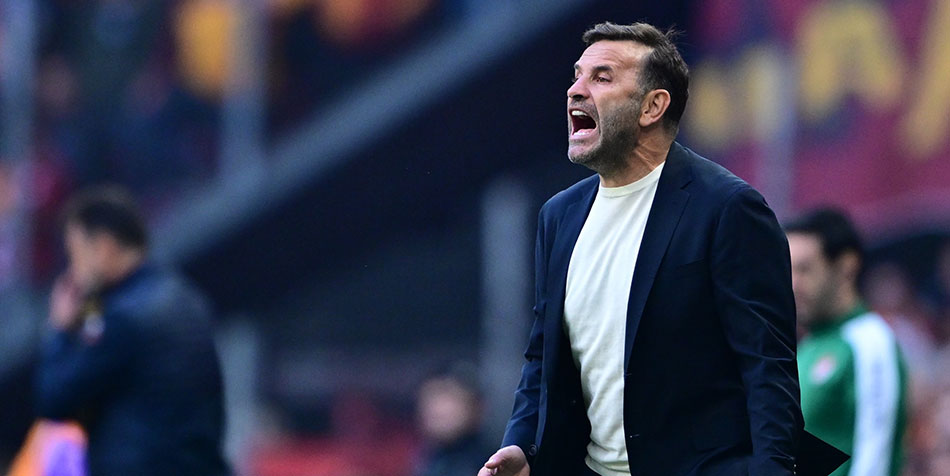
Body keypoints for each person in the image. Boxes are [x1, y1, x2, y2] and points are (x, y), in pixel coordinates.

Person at [478, 21, 810, 476]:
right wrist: (521, 444)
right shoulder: (559, 216)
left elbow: (767, 367)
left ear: (653, 106)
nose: (575, 90)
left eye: (602, 77)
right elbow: (543, 358)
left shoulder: (728, 208)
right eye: (577, 75)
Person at [34, 186, 231, 476]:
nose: (73, 271)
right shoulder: (184, 298)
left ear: (103, 247)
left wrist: (60, 331)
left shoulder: (122, 320)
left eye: (75, 254)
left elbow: (55, 400)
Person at [785, 208, 908, 476]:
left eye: (805, 269)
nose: (792, 284)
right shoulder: (809, 345)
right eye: (787, 269)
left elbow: (875, 460)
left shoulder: (868, 341)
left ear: (846, 267)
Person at [415, 363, 493, 476]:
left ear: (476, 406)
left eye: (447, 398)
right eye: (431, 397)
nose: (437, 409)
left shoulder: (493, 463)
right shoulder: (425, 461)